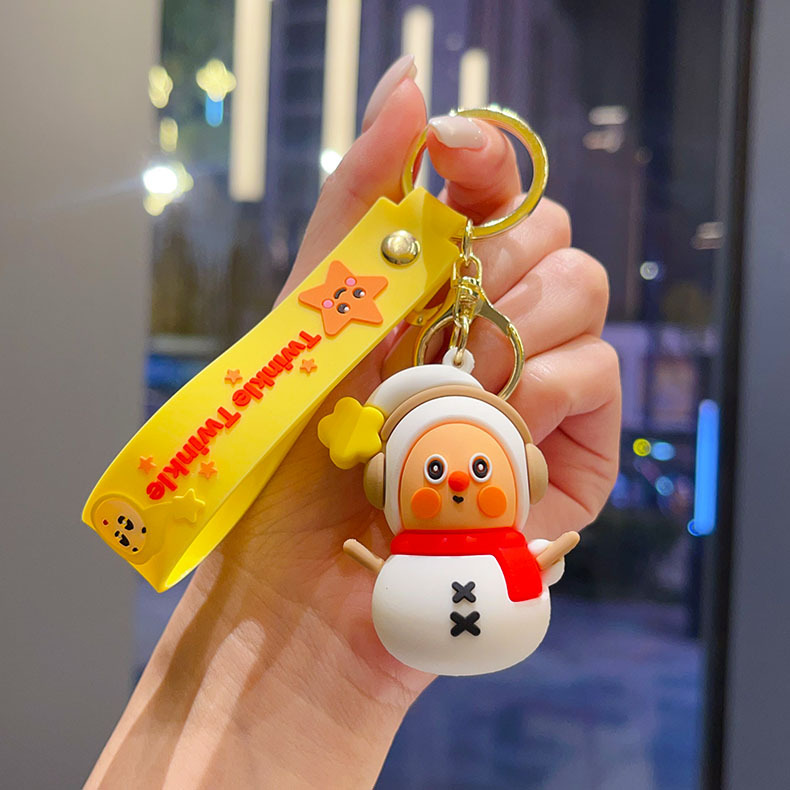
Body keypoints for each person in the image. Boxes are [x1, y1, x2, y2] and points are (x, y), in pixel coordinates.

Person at [86, 55, 621, 788]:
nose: (459, 483)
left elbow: (529, 557)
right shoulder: (395, 531)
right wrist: (288, 630)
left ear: (524, 474)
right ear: (385, 482)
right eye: (440, 470)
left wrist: (318, 671)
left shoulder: (467, 532)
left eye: (475, 470)